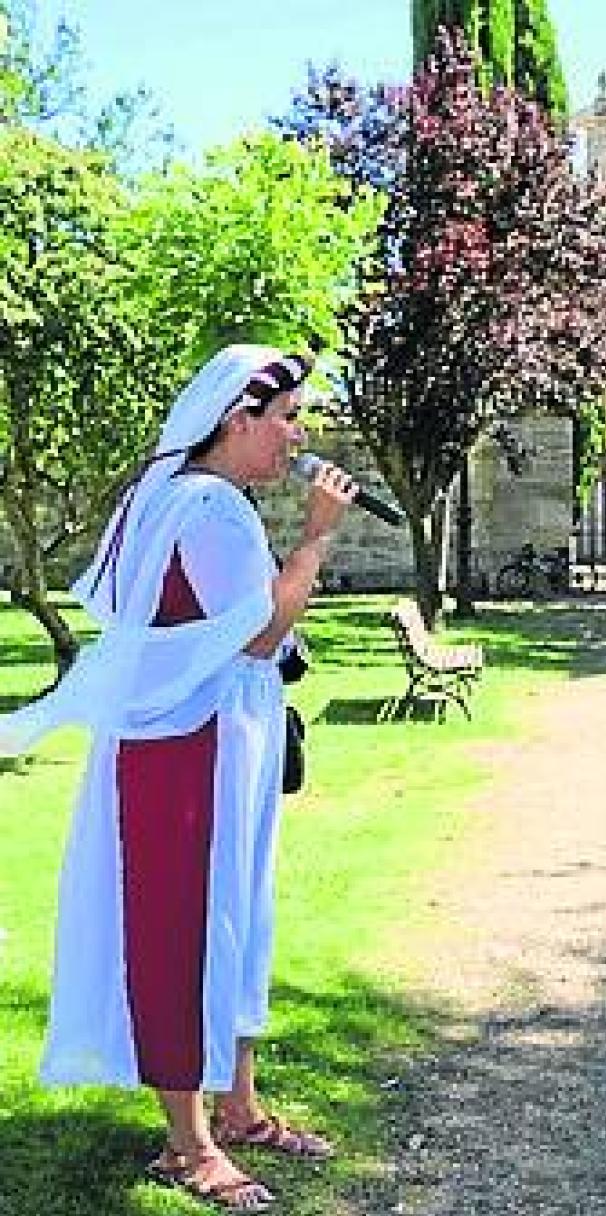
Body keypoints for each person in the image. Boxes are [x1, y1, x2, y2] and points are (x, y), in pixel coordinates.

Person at [0, 346, 357, 1211]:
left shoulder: (174, 496)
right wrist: (314, 537)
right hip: (188, 748)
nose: (296, 436)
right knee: (185, 926)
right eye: (285, 419)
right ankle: (189, 1146)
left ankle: (235, 1108)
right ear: (238, 419)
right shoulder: (209, 509)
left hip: (205, 740)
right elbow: (261, 635)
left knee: (232, 915)